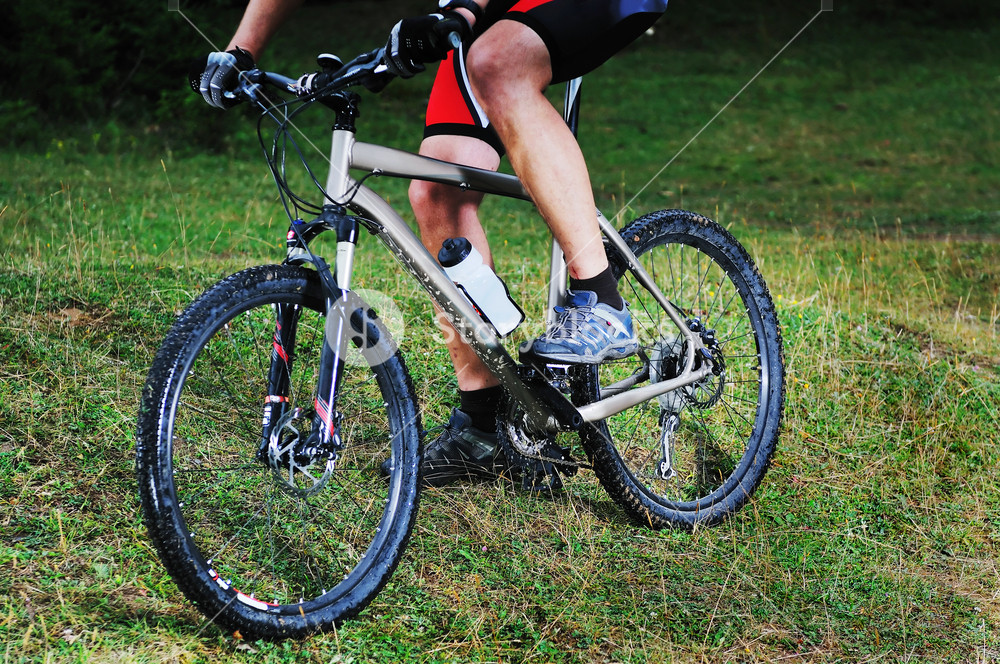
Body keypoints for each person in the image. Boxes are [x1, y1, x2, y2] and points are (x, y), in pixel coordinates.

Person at [194, 0, 668, 487]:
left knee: (497, 61)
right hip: (486, 18)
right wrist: (240, 51)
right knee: (436, 194)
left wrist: (462, 11)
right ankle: (484, 429)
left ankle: (601, 301)